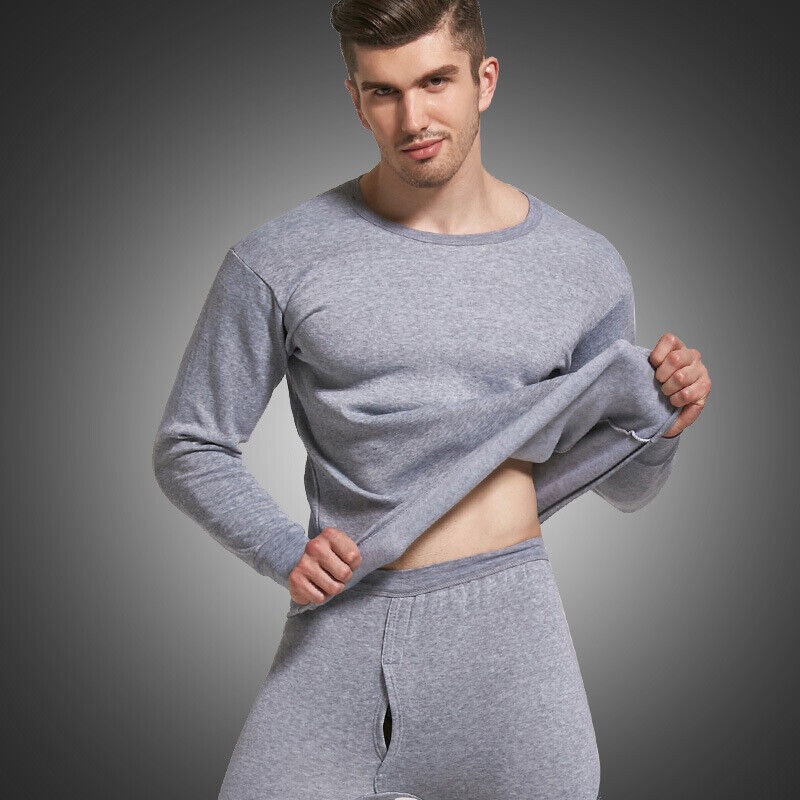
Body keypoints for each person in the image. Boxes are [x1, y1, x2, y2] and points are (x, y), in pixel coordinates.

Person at [152, 2, 710, 798]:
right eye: (384, 92)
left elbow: (626, 486)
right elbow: (190, 443)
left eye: (436, 81)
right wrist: (281, 549)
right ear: (356, 100)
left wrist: (666, 420)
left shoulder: (584, 266)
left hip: (512, 650)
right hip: (341, 634)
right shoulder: (278, 258)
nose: (412, 117)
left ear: (485, 81)